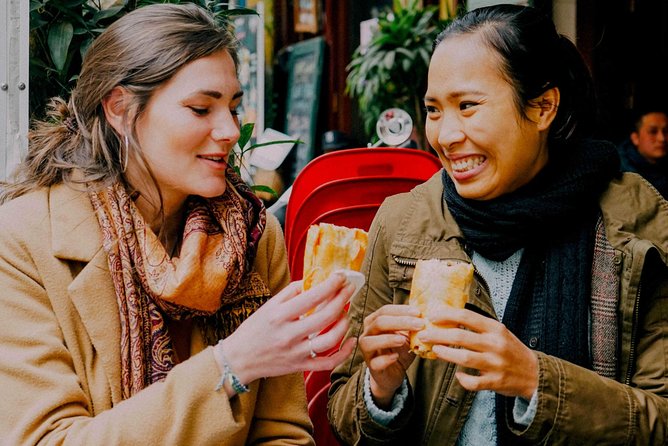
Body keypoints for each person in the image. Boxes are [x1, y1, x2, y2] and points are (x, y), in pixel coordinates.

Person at [0, 3, 356, 445]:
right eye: (201, 109)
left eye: (232, 106)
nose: (229, 129)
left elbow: (282, 432)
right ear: (120, 108)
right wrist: (231, 366)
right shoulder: (21, 241)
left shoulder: (252, 236)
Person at [328, 4, 668, 445]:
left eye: (468, 106)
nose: (446, 136)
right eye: (434, 110)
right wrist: (380, 387)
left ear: (543, 107)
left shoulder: (635, 222)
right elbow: (343, 413)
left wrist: (535, 380)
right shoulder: (402, 221)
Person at [616, 108, 668, 198]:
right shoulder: (621, 171)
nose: (662, 138)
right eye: (653, 131)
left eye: (666, 131)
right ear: (635, 138)